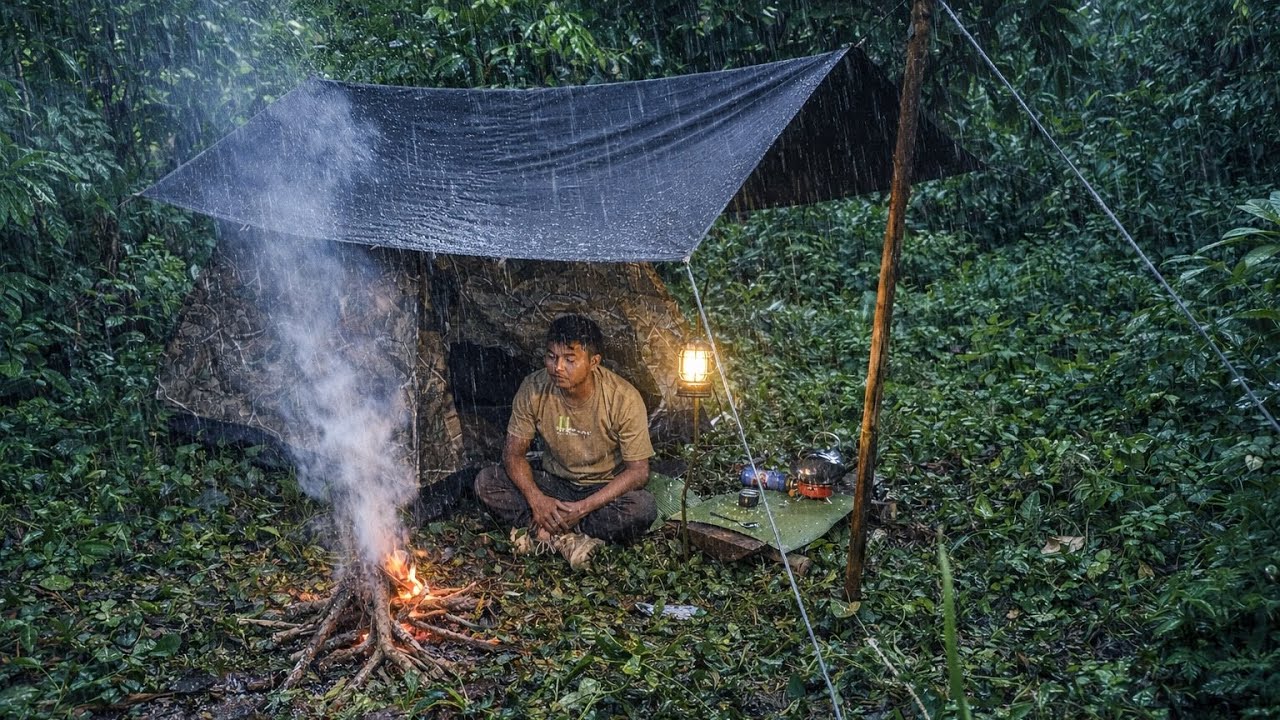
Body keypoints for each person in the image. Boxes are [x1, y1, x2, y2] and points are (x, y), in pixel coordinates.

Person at [474, 314, 657, 569]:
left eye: (570, 360)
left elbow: (639, 472)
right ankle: (569, 538)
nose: (557, 367)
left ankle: (545, 533)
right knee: (487, 481)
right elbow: (513, 455)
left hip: (600, 490)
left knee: (642, 508)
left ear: (594, 362)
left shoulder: (623, 398)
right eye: (551, 357)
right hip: (555, 485)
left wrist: (582, 508)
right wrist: (537, 500)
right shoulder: (534, 388)